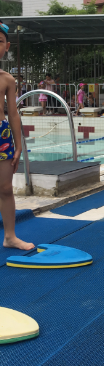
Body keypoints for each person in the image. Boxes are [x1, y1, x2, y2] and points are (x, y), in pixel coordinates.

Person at [0, 22, 35, 251]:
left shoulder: (7, 80)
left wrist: (19, 144)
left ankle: (10, 236)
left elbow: (13, 114)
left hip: (1, 135)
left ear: (7, 46)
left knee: (5, 188)